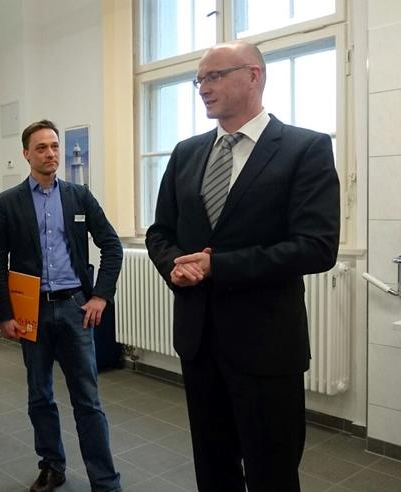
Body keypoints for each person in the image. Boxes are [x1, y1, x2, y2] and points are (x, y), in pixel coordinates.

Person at [145, 41, 340, 492]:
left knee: (272, 472)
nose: (203, 88)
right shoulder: (186, 153)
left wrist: (219, 266)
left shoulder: (304, 149)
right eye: (199, 79)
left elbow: (316, 247)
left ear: (254, 75)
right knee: (213, 467)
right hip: (199, 342)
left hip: (266, 346)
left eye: (215, 76)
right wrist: (176, 265)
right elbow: (160, 232)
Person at [0, 120, 123, 492]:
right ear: (26, 154)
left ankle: (105, 481)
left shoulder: (79, 196)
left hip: (75, 307)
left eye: (54, 146)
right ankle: (51, 466)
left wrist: (100, 296)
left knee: (88, 399)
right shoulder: (8, 202)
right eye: (41, 147)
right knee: (39, 395)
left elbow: (112, 246)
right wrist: (4, 315)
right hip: (31, 312)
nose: (50, 153)